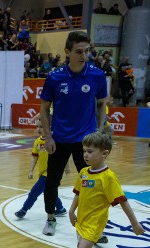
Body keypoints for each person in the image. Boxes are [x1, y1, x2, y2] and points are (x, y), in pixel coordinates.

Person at [40, 31, 107, 237]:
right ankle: (51, 218)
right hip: (59, 140)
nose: (84, 55)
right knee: (52, 182)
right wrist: (48, 137)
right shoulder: (54, 78)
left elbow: (102, 103)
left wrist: (99, 130)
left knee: (91, 184)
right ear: (67, 52)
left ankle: (90, 226)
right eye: (79, 51)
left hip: (86, 142)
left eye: (87, 51)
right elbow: (44, 108)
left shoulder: (97, 75)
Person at [67, 128, 144, 248]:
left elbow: (122, 201)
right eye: (84, 151)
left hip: (96, 222)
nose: (85, 155)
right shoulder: (84, 172)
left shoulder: (108, 177)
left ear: (104, 153)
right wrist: (71, 211)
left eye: (90, 151)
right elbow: (78, 193)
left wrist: (134, 224)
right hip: (82, 219)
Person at [15, 122, 68, 218]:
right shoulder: (37, 142)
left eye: (42, 126)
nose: (39, 129)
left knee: (33, 193)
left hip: (50, 173)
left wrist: (66, 167)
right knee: (49, 192)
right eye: (37, 126)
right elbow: (34, 158)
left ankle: (23, 210)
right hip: (42, 172)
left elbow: (63, 155)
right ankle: (60, 209)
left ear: (48, 127)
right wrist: (30, 171)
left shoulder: (54, 140)